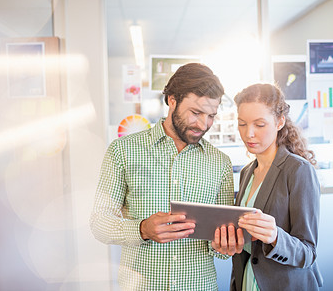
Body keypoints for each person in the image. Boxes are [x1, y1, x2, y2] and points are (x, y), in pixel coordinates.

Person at [90, 63, 242, 290]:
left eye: (211, 115)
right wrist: (142, 229)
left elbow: (219, 248)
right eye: (196, 112)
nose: (203, 124)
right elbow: (99, 223)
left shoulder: (220, 162)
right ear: (172, 100)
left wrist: (225, 246)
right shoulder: (122, 151)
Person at [230, 83, 323, 291]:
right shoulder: (247, 172)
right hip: (248, 280)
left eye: (259, 124)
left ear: (280, 122)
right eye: (242, 124)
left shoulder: (299, 170)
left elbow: (308, 253)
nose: (249, 134)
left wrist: (275, 237)